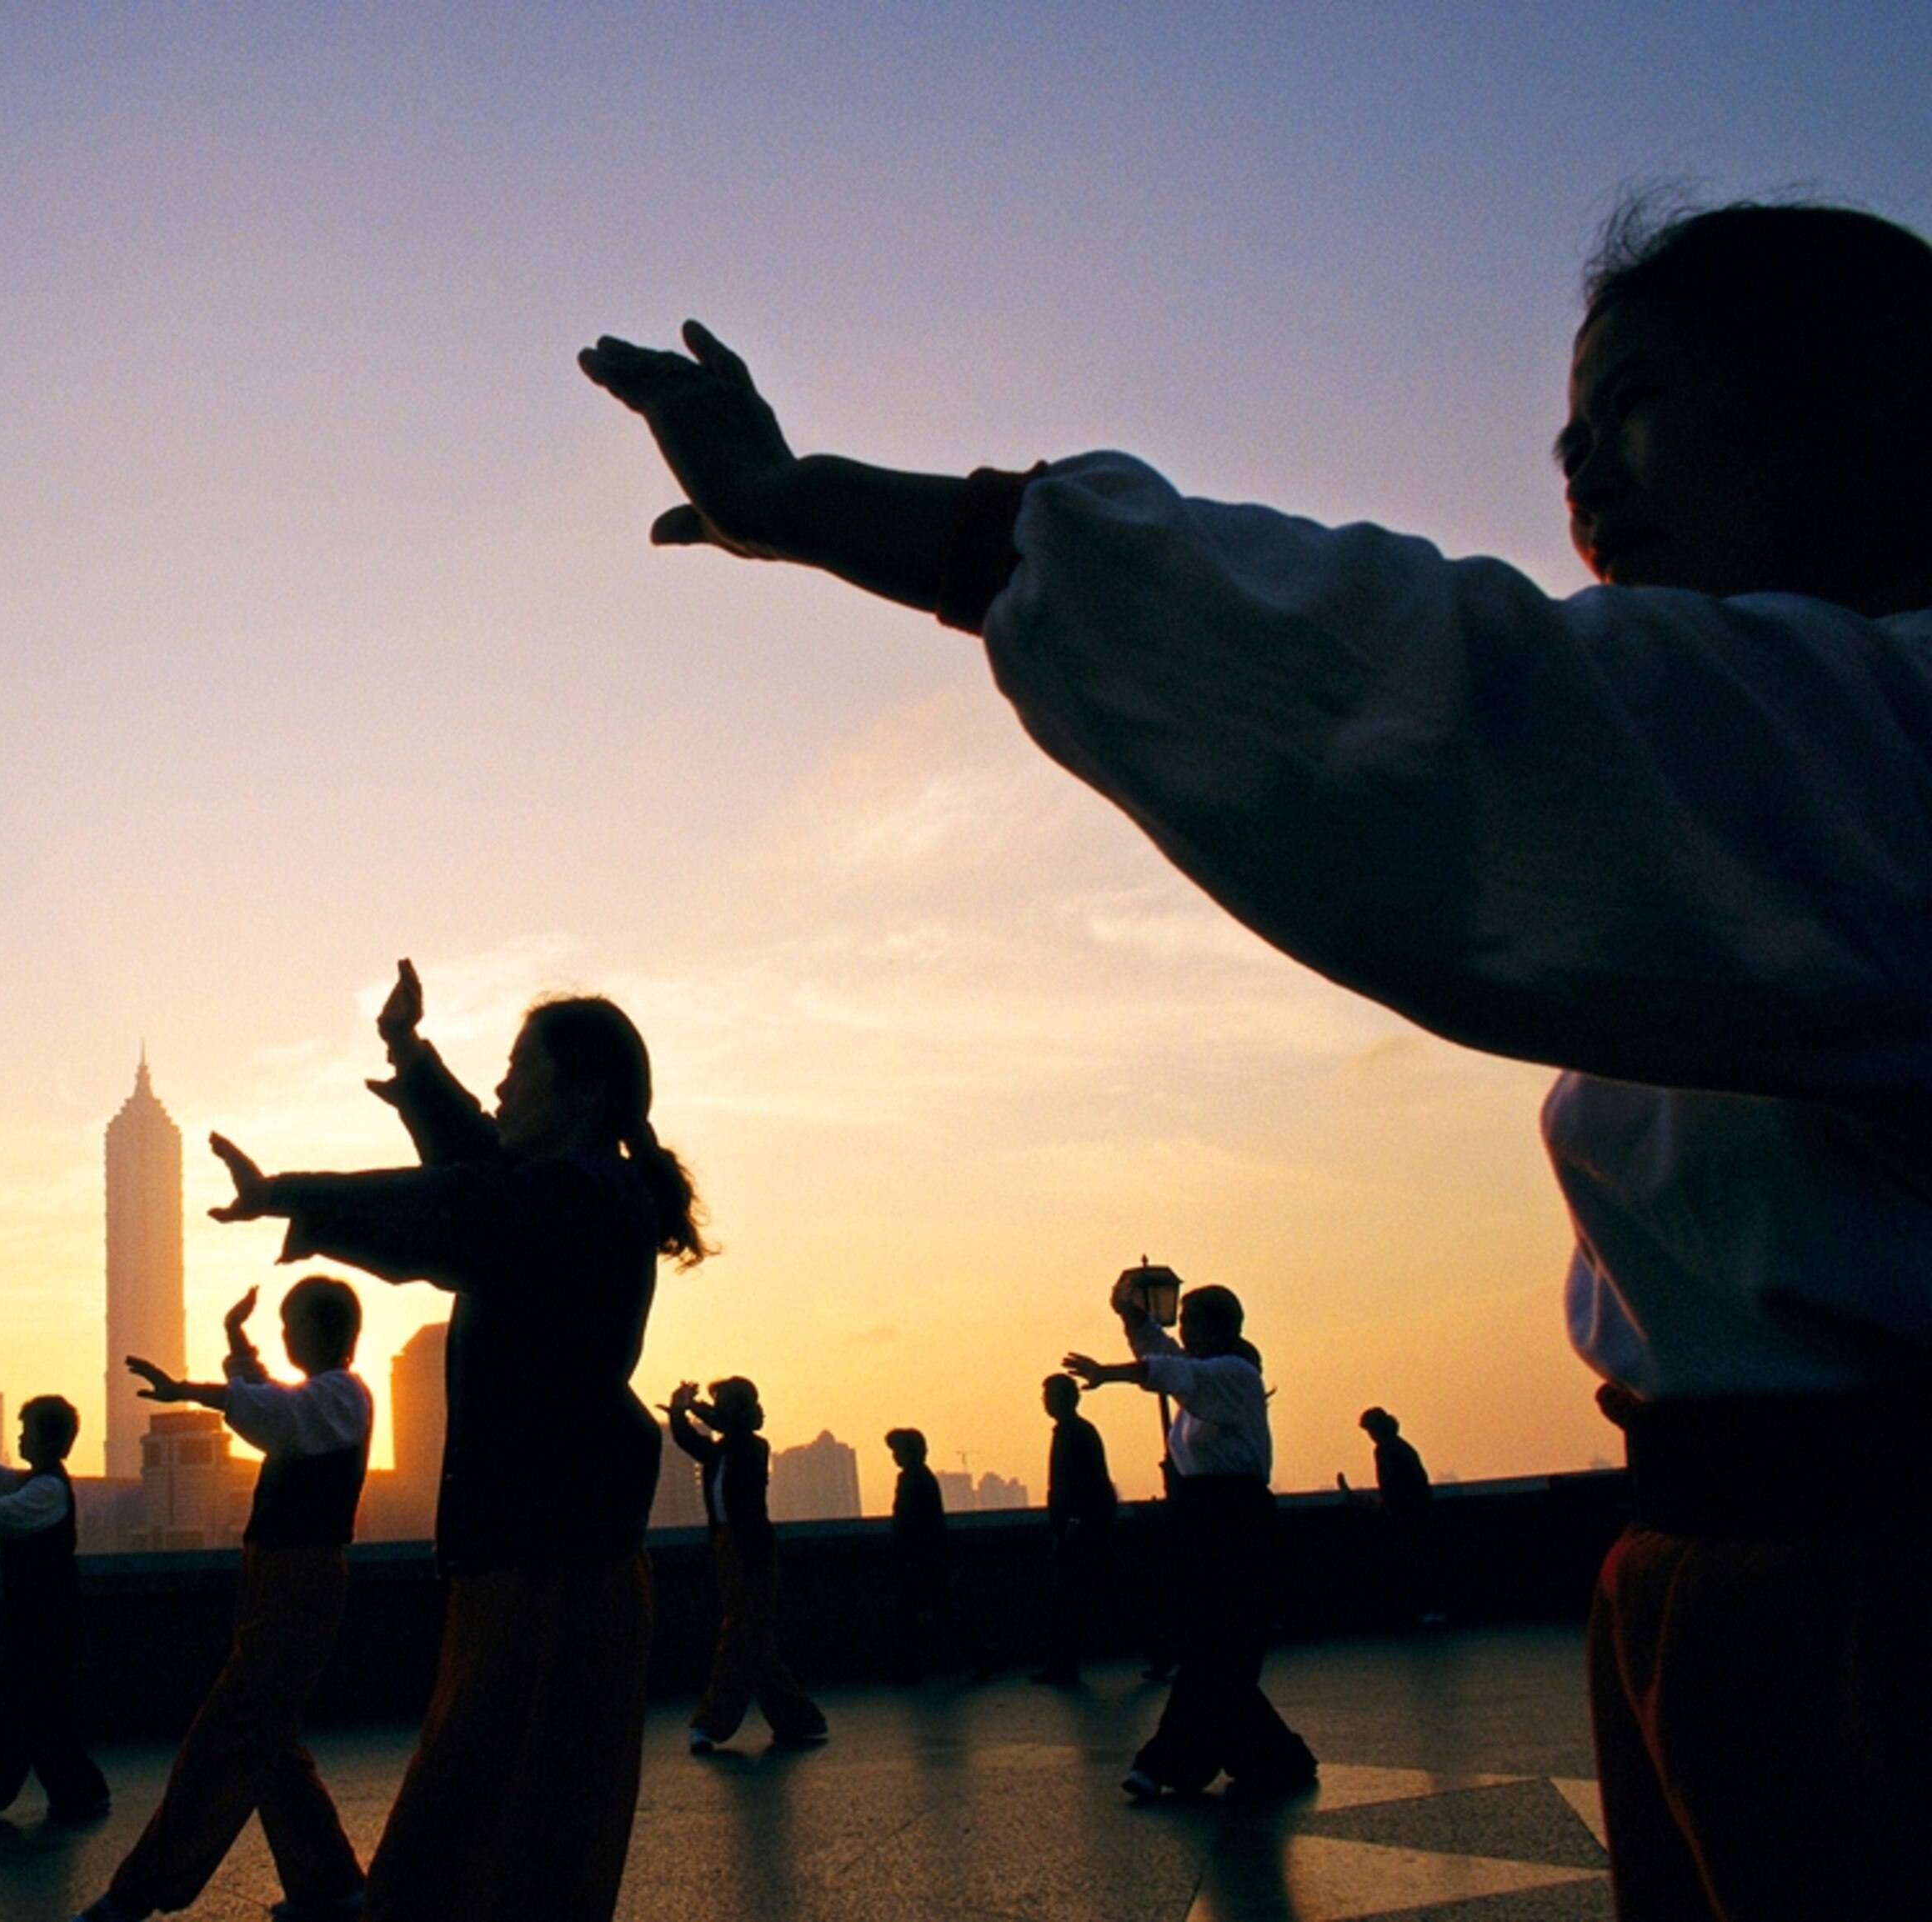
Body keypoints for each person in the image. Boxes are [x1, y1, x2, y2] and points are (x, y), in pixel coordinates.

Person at [583, 199, 1932, 1916]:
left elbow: (1410, 697)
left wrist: (833, 511)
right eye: (1565, 437)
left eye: (1642, 403)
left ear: (1882, 394)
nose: (1586, 473)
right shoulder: (1783, 752)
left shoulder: (1875, 741)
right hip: (1723, 1599)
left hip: (1869, 1625)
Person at [205, 958, 706, 1922]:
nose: (503, 1083)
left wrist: (287, 1194)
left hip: (552, 1570)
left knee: (492, 1852)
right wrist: (409, 1054)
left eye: (520, 1065)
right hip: (537, 1559)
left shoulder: (583, 1200)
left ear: (585, 1089)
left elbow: (462, 1201)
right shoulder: (576, 1187)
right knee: (504, 1845)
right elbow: (480, 1167)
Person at [70, 1278, 373, 1922]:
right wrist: (238, 1342)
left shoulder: (344, 1396)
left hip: (300, 1579)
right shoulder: (327, 1398)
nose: (286, 1336)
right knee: (268, 1739)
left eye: (293, 1325)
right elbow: (271, 1403)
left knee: (225, 1737)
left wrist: (190, 1392)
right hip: (276, 1576)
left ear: (323, 1330)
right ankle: (332, 1886)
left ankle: (135, 1894)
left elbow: (273, 1413)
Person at [1065, 1275, 1315, 1797]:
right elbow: (1167, 1356)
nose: (1184, 1332)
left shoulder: (1235, 1376)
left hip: (1234, 1523)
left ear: (1219, 1328)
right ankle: (1274, 1758)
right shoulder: (1210, 1373)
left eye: (1193, 1324)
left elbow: (1169, 1368)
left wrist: (1109, 1373)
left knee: (1215, 1647)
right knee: (1222, 1652)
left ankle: (1164, 1763)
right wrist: (1129, 1314)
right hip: (1206, 1521)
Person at [0, 1394, 111, 1829]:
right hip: (42, 1617)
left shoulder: (46, 1491)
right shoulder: (40, 1483)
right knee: (47, 1711)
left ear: (47, 1441)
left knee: (13, 1706)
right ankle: (82, 1795)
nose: (20, 1438)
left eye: (26, 1431)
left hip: (46, 1619)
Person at [665, 1375, 828, 1751]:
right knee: (753, 1641)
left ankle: (710, 1723)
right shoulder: (723, 1449)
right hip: (728, 1547)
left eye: (724, 1403)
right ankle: (800, 1720)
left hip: (750, 1548)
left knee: (739, 1635)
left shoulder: (751, 1447)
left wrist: (692, 1408)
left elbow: (729, 1431)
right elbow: (691, 1440)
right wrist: (681, 1411)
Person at [883, 1427, 985, 1684]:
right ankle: (981, 1657)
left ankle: (909, 1669)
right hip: (928, 1558)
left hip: (921, 1559)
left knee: (913, 1614)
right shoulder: (922, 1478)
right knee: (941, 1612)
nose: (895, 1456)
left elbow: (910, 1521)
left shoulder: (912, 1480)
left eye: (898, 1451)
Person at [1034, 1373, 1116, 1686]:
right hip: (1086, 1526)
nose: (1046, 1402)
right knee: (1100, 1594)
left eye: (1050, 1396)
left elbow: (1081, 1485)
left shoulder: (1074, 1434)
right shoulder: (1077, 1432)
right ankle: (1158, 1650)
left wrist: (1073, 1523)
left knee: (1070, 1600)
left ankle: (1063, 1666)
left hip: (1082, 1528)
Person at [1338, 1407, 1436, 1629]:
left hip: (1405, 1515)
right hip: (1417, 1512)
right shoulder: (1402, 1447)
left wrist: (1359, 1501)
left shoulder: (1386, 1450)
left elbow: (1392, 1492)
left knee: (1410, 1565)